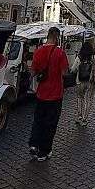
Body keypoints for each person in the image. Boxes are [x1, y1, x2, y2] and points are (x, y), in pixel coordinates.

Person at [29, 27, 69, 161]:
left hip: (41, 93)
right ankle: (44, 151)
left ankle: (34, 144)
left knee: (38, 120)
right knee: (50, 123)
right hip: (55, 94)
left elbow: (33, 72)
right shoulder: (60, 53)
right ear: (57, 37)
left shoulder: (38, 51)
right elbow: (64, 73)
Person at [75, 36, 95, 127]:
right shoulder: (94, 57)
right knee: (88, 100)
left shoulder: (79, 57)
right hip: (90, 81)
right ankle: (84, 119)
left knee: (80, 98)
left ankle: (79, 116)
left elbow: (73, 68)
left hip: (80, 80)